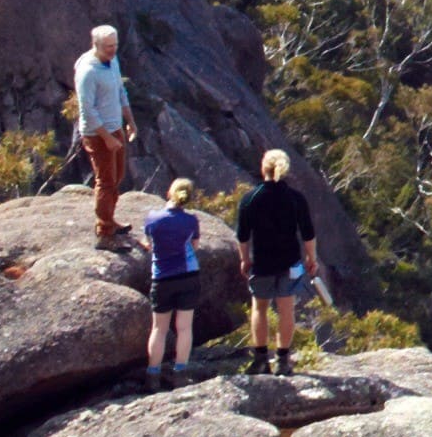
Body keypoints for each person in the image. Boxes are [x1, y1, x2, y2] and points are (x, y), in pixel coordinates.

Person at [233, 150, 327, 372]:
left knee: (260, 308)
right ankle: (283, 361)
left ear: (262, 168)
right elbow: (308, 234)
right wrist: (312, 259)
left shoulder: (251, 198)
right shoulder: (296, 198)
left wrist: (244, 260)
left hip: (262, 262)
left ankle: (261, 359)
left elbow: (242, 236)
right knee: (287, 309)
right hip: (291, 263)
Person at [139, 181, 213, 372]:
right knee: (184, 328)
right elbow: (194, 246)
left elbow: (149, 244)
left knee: (159, 329)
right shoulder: (191, 220)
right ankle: (180, 372)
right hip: (188, 276)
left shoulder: (153, 218)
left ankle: (153, 374)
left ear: (168, 193)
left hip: (162, 278)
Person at [73, 26, 134, 241]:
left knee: (117, 177)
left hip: (114, 127)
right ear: (96, 45)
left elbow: (120, 91)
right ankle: (104, 231)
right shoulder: (88, 71)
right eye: (108, 46)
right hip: (98, 134)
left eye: (115, 45)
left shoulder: (112, 61)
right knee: (106, 181)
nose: (113, 50)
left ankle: (109, 219)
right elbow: (86, 110)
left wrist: (130, 121)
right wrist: (107, 138)